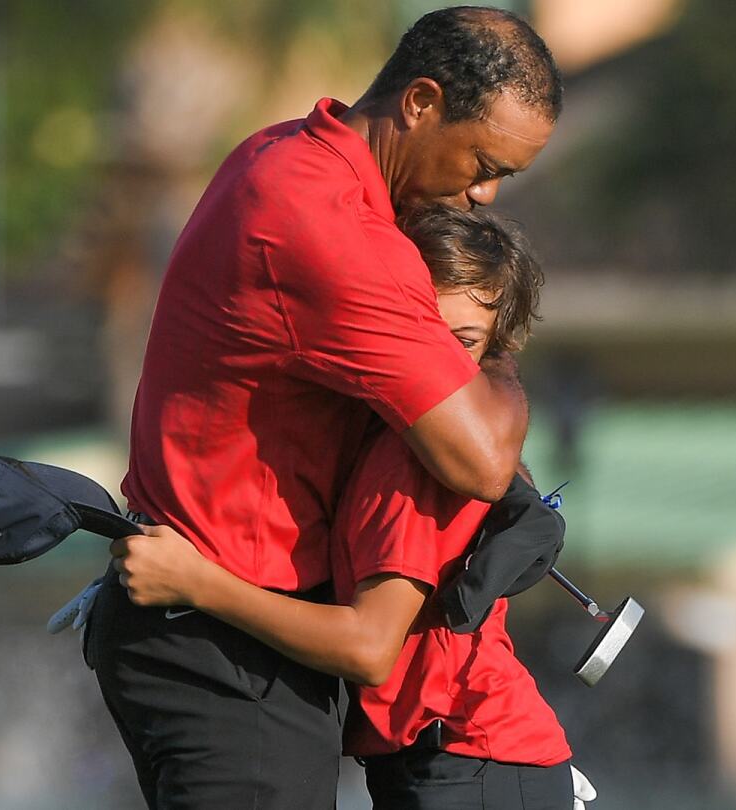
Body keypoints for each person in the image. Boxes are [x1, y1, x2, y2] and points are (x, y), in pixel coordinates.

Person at [85, 7, 563, 809]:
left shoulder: (283, 150)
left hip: (215, 631)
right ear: (420, 102)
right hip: (220, 638)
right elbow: (480, 460)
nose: (483, 194)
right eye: (484, 162)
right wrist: (497, 355)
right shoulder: (329, 226)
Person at [112, 207, 594, 809]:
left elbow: (368, 647)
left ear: (496, 346)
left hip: (474, 762)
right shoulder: (378, 437)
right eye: (423, 334)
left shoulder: (416, 463)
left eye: (464, 342)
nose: (438, 364)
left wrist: (197, 583)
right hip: (453, 763)